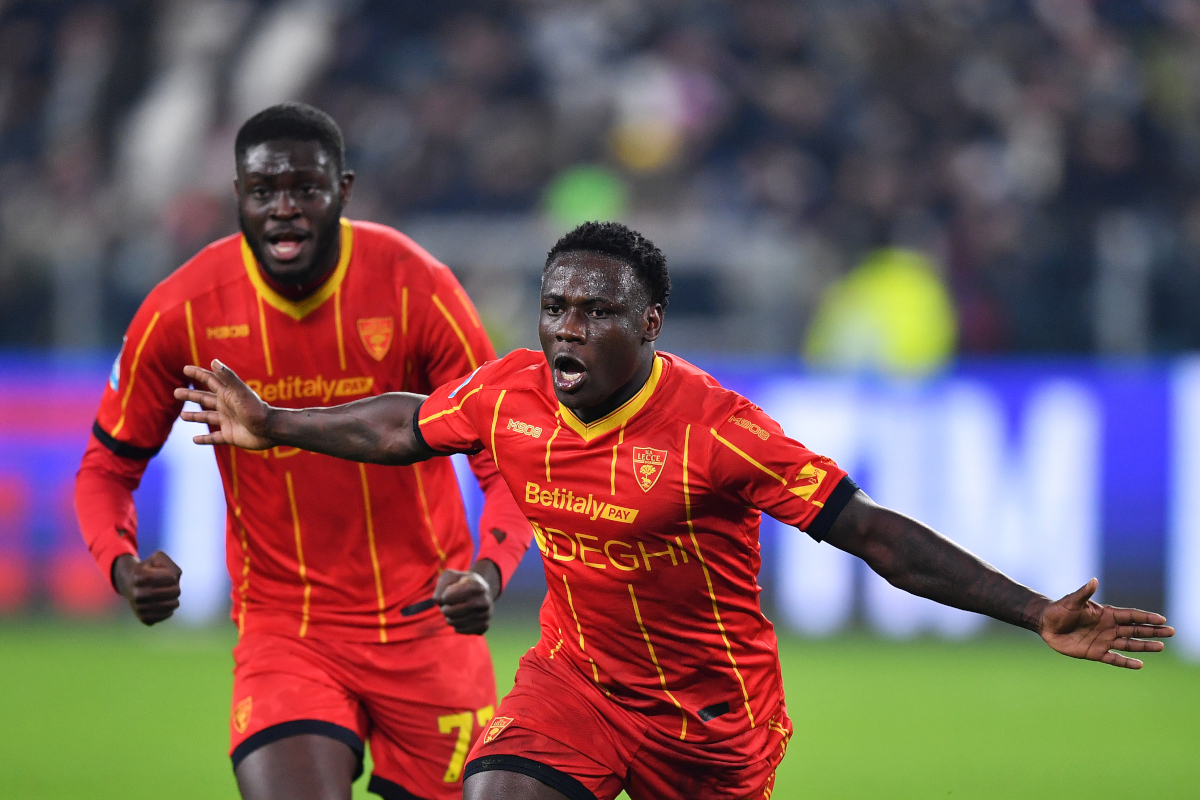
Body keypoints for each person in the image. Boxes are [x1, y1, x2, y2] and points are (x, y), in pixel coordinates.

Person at [175, 221, 1174, 800]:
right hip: (575, 684)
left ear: (649, 323)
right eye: (557, 307)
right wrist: (278, 422)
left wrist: (1034, 607)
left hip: (710, 725)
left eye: (597, 311)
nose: (569, 329)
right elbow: (408, 424)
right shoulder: (511, 392)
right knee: (494, 787)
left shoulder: (719, 431)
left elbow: (871, 532)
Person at [74, 103, 531, 800]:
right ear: (237, 197)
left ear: (342, 191)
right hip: (288, 631)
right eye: (264, 193)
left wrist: (490, 573)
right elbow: (107, 467)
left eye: (305, 190)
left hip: (429, 626)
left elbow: (507, 457)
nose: (284, 210)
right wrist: (122, 565)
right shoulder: (182, 311)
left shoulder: (418, 287)